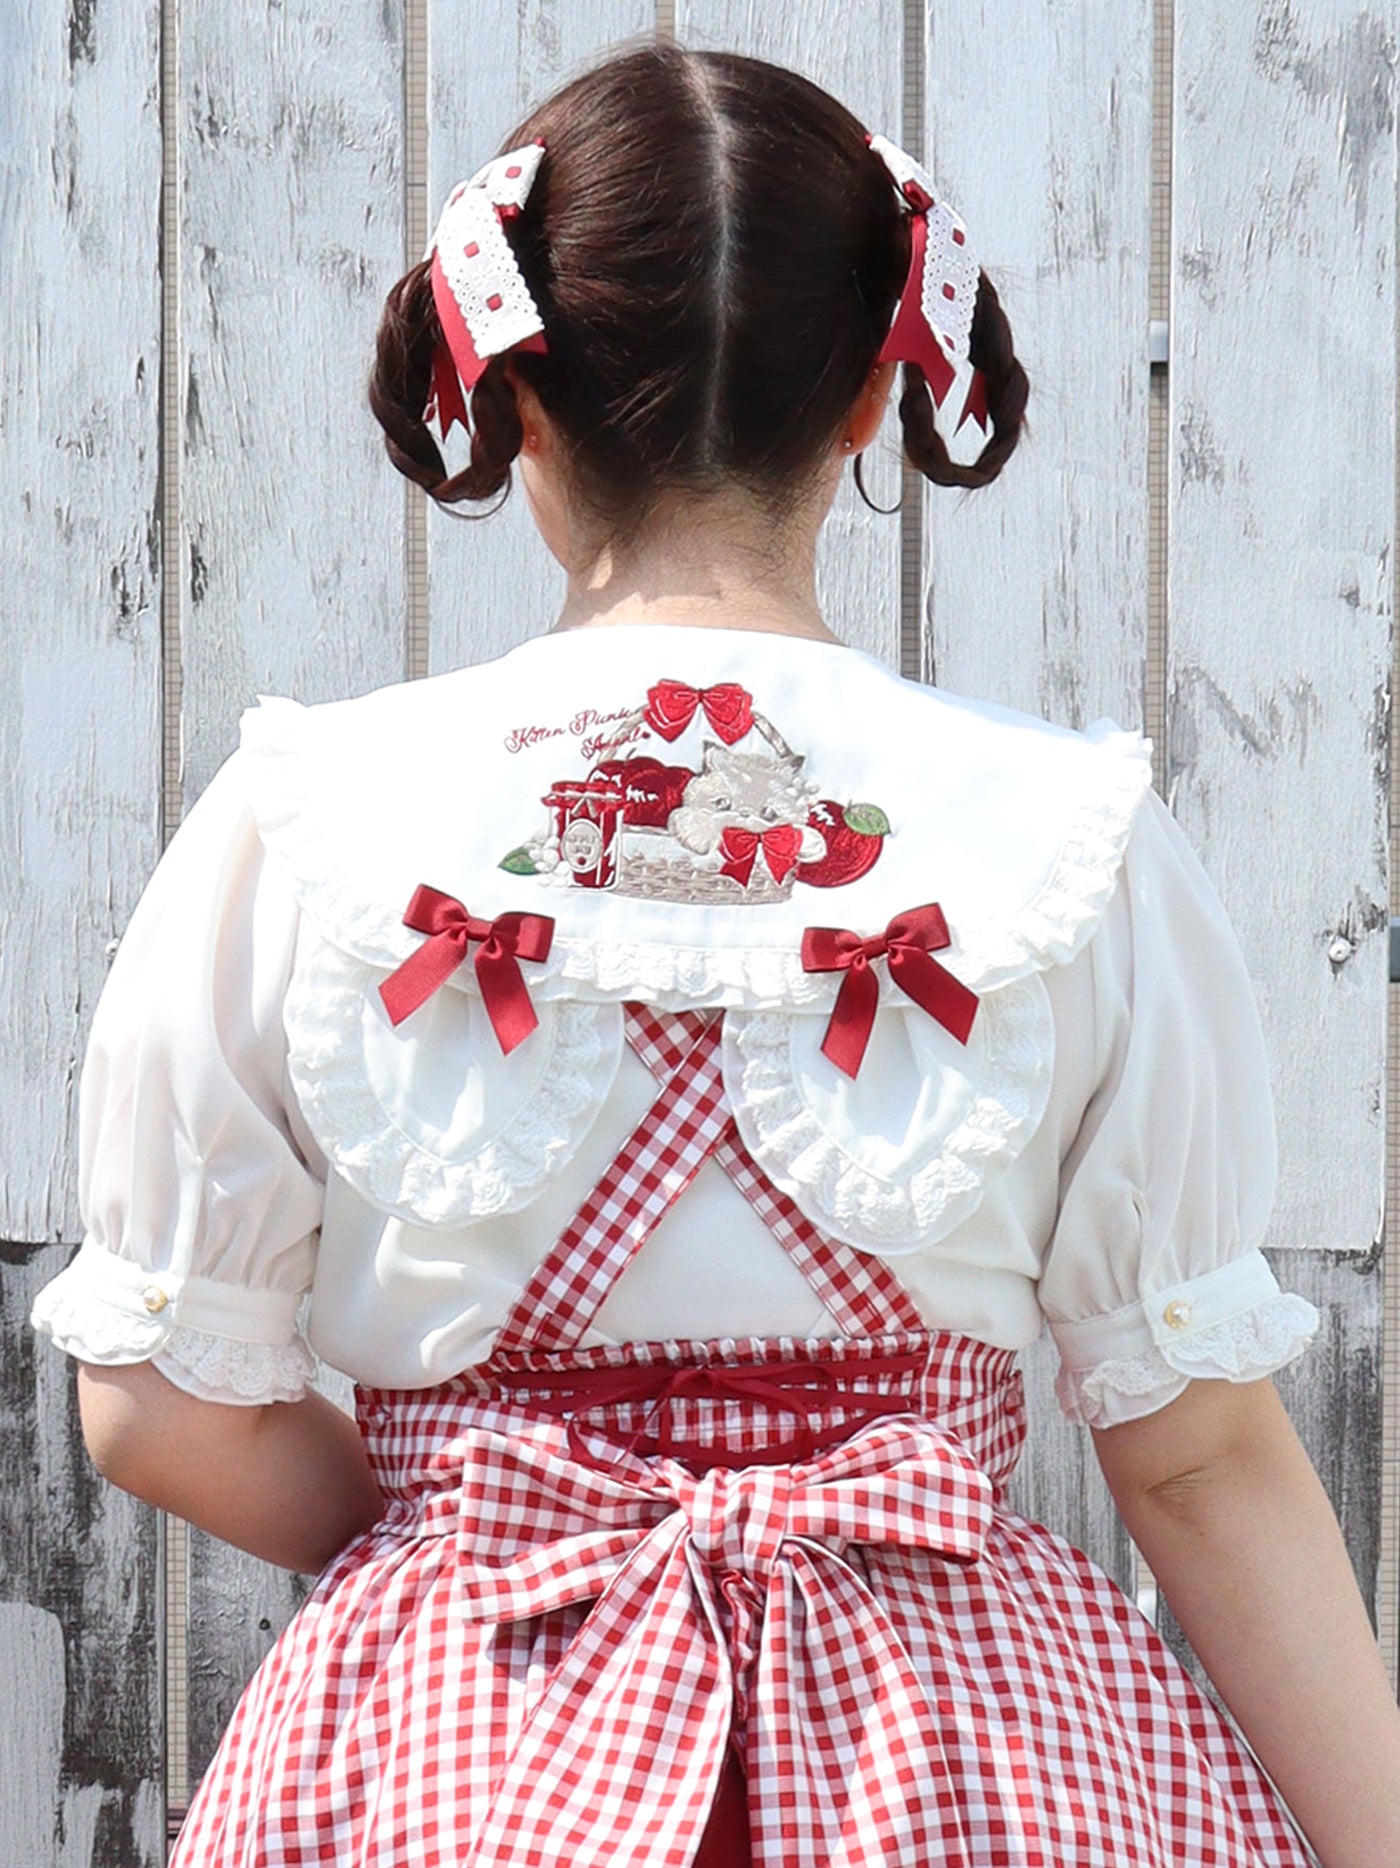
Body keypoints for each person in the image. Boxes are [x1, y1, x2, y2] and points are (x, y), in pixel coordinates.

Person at [31, 39, 1400, 1868]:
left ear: (511, 391)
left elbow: (152, 1409)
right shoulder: (1066, 838)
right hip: (965, 1764)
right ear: (871, 395)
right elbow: (1203, 1457)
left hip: (460, 1747)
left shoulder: (306, 820)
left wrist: (480, 1529)